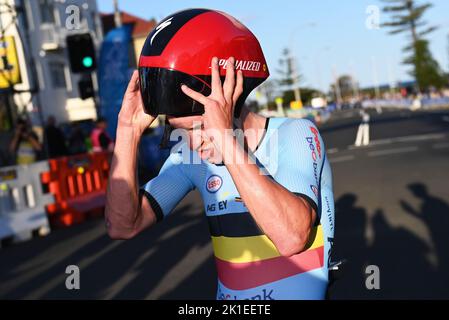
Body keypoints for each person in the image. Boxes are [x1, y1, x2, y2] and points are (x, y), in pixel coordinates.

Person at [105, 9, 335, 300]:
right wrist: (127, 131)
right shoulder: (189, 157)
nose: (193, 143)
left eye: (200, 127)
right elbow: (123, 225)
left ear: (232, 96)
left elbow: (292, 237)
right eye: (182, 130)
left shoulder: (295, 134)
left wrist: (227, 140)